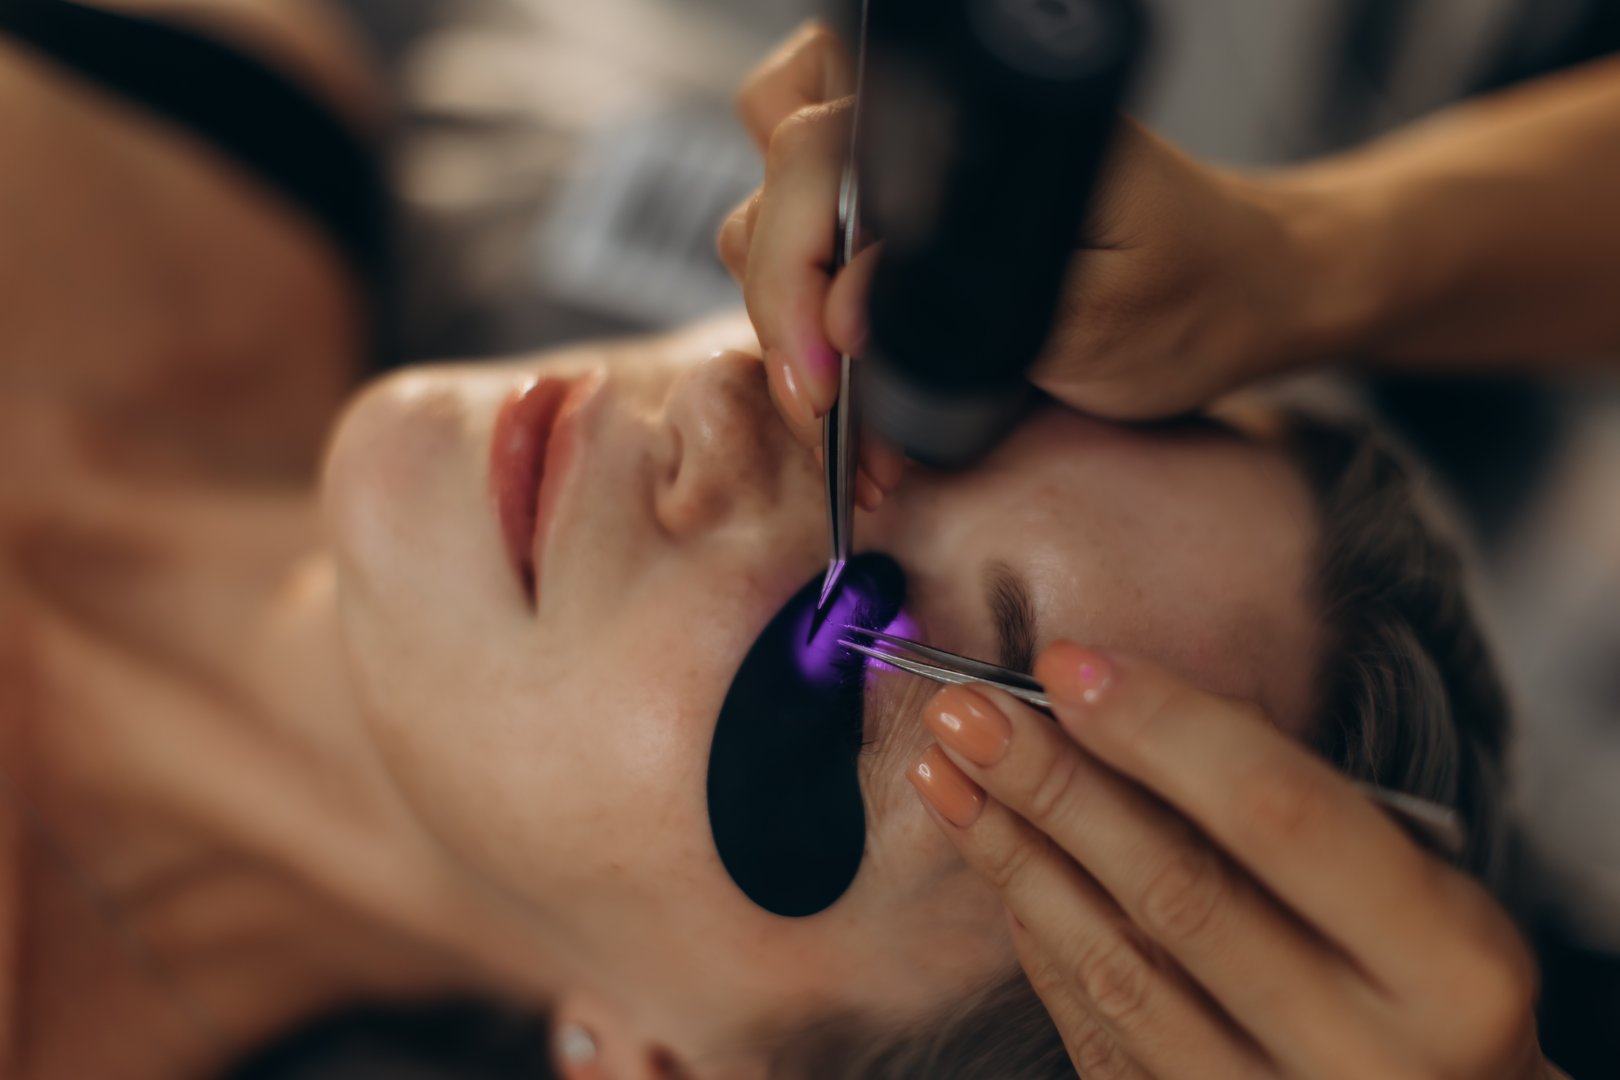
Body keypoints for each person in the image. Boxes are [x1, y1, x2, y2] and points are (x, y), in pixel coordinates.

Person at [0, 6, 1560, 1080]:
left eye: (863, 648)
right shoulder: (225, 125)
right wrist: (1319, 256)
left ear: (674, 1064)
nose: (752, 419)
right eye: (944, 402)